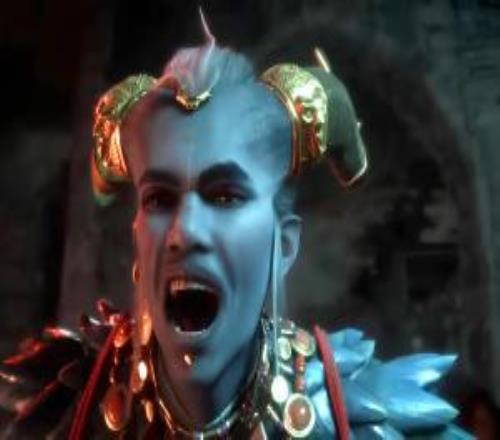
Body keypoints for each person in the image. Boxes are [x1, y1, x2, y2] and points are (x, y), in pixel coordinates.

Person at [0, 18, 472, 440]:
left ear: (284, 247)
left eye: (225, 196)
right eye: (160, 198)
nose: (185, 232)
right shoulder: (65, 410)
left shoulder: (373, 423)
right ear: (137, 235)